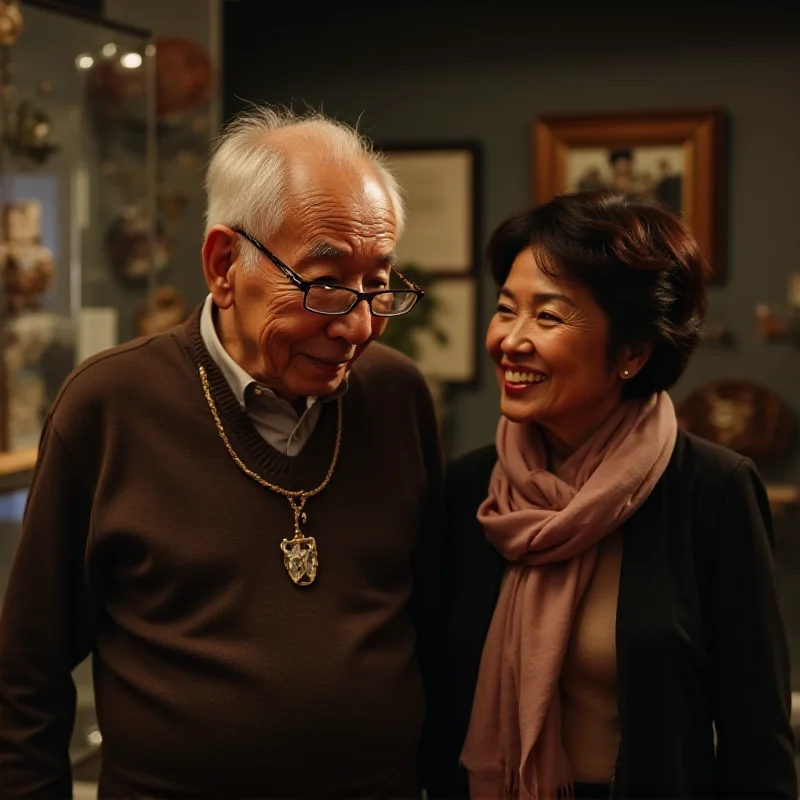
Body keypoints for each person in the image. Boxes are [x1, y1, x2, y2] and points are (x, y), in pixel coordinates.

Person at [0, 106, 444, 798]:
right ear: (223, 265)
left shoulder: (397, 397)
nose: (357, 324)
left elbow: (433, 630)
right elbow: (25, 676)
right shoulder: (110, 405)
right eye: (324, 283)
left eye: (377, 283)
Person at [429, 191, 796, 798]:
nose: (510, 341)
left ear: (631, 352)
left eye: (547, 317)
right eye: (505, 310)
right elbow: (437, 706)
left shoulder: (713, 491)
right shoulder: (470, 488)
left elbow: (757, 737)